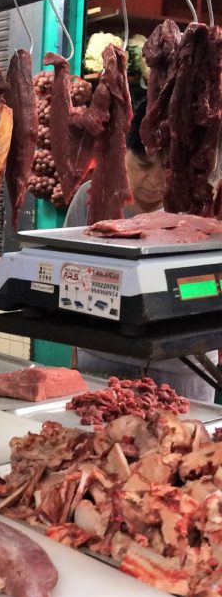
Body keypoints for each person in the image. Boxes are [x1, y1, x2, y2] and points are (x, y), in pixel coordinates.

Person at [64, 98, 215, 402]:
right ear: (124, 152)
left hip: (184, 365)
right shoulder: (92, 199)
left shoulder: (201, 208)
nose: (156, 180)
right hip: (103, 356)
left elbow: (209, 285)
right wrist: (76, 356)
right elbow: (70, 276)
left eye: (169, 168)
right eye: (145, 165)